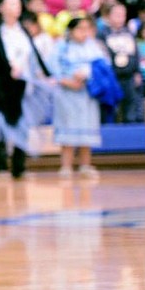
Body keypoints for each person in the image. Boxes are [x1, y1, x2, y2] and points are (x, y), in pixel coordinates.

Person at [0, 0, 43, 178]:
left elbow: (32, 55)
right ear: (1, 7)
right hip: (1, 86)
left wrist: (43, 73)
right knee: (2, 127)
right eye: (11, 3)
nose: (15, 7)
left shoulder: (23, 30)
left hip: (22, 85)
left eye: (17, 3)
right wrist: (10, 68)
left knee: (21, 125)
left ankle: (19, 166)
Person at [53, 17, 106, 177]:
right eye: (79, 29)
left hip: (88, 94)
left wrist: (89, 76)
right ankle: (66, 166)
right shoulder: (62, 47)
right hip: (67, 94)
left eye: (86, 28)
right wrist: (67, 81)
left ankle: (85, 165)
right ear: (71, 30)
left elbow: (103, 69)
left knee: (87, 128)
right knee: (68, 129)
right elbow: (52, 69)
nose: (83, 32)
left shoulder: (94, 47)